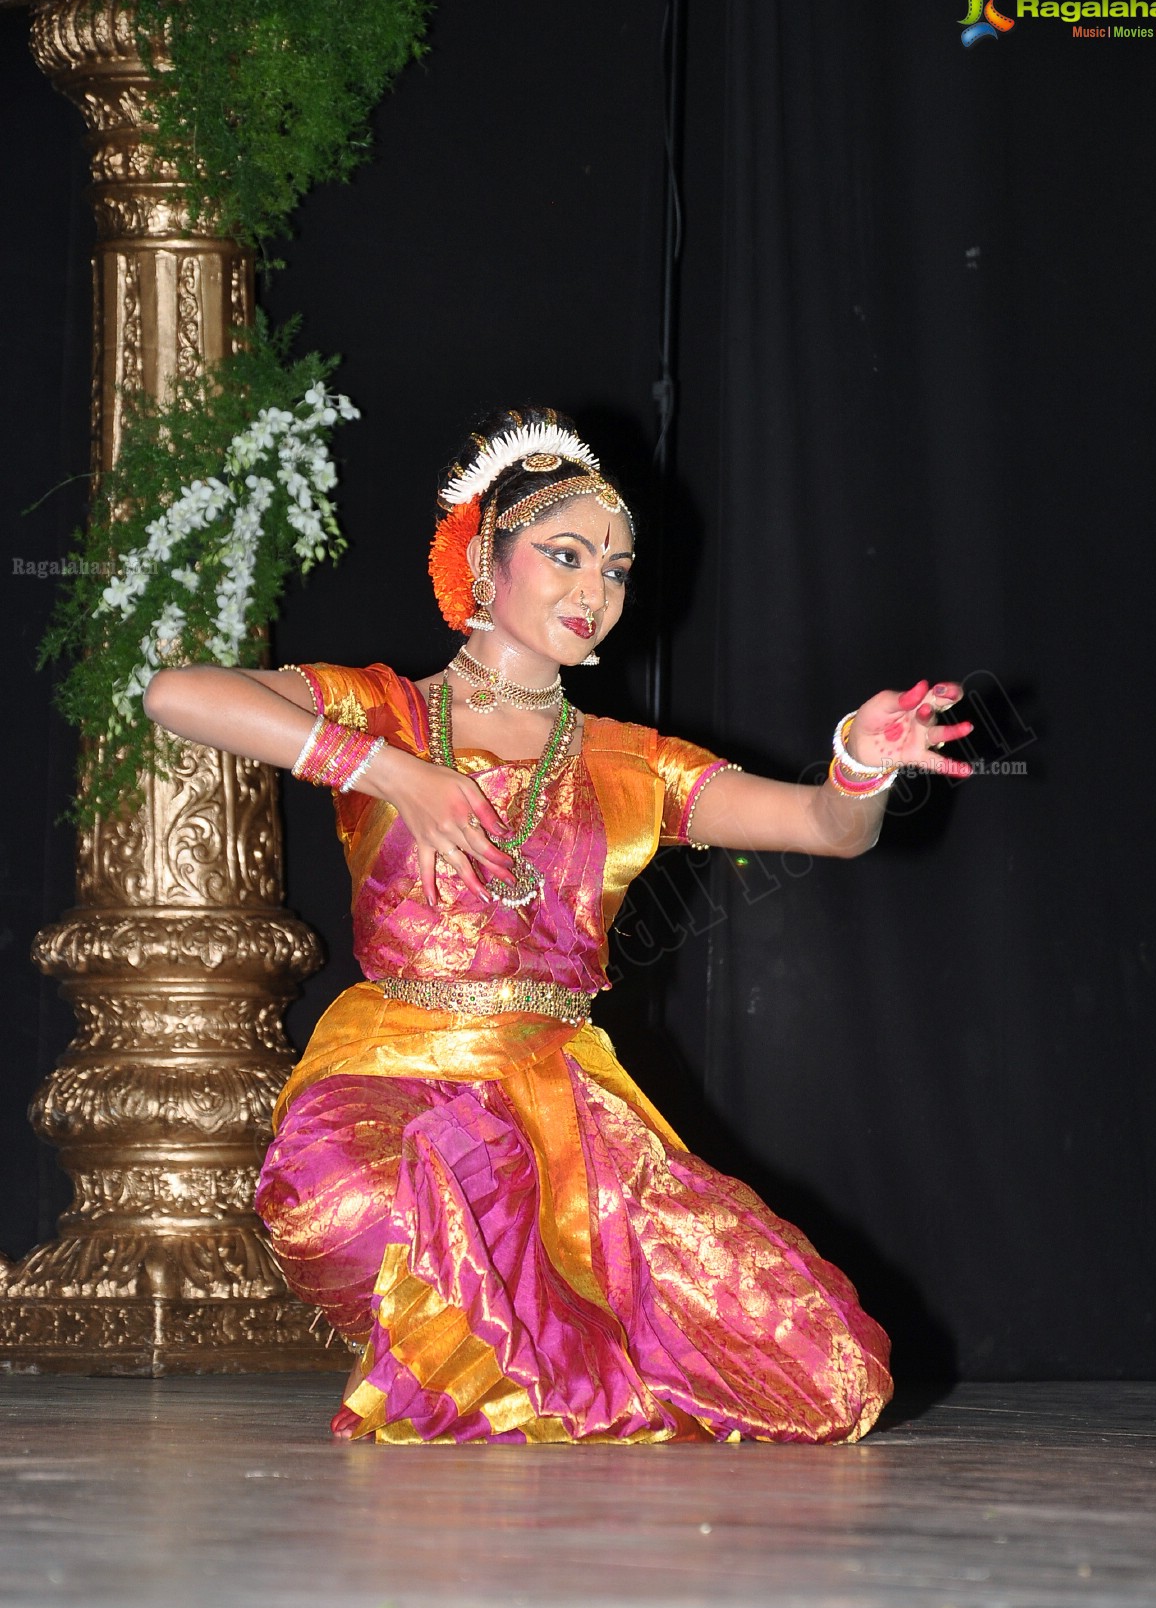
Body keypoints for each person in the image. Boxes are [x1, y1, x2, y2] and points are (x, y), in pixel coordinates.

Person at [144, 407, 972, 1446]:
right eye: (566, 556)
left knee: (829, 1379)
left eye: (616, 571)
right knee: (348, 1209)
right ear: (484, 563)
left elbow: (824, 827)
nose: (594, 592)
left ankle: (539, 1359)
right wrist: (389, 772)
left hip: (562, 1107)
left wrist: (858, 761)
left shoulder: (632, 760)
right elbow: (176, 692)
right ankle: (527, 1361)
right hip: (389, 1071)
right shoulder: (379, 711)